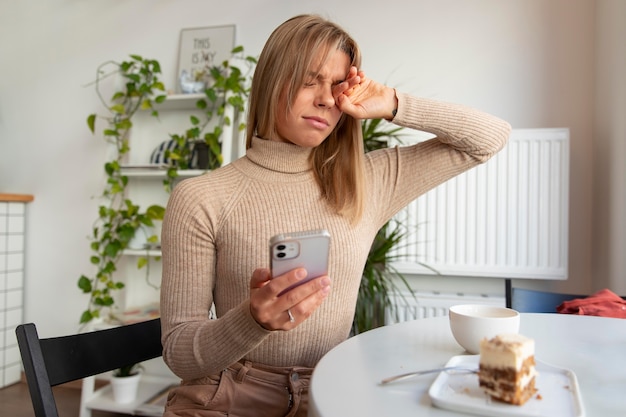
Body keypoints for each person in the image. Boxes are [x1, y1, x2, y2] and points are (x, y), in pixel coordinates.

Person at [160, 14, 511, 417]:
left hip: (334, 389)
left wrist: (393, 102)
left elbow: (489, 138)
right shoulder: (201, 198)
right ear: (272, 81)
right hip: (228, 397)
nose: (326, 99)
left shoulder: (369, 182)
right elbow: (180, 354)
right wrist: (251, 320)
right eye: (309, 80)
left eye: (337, 85)